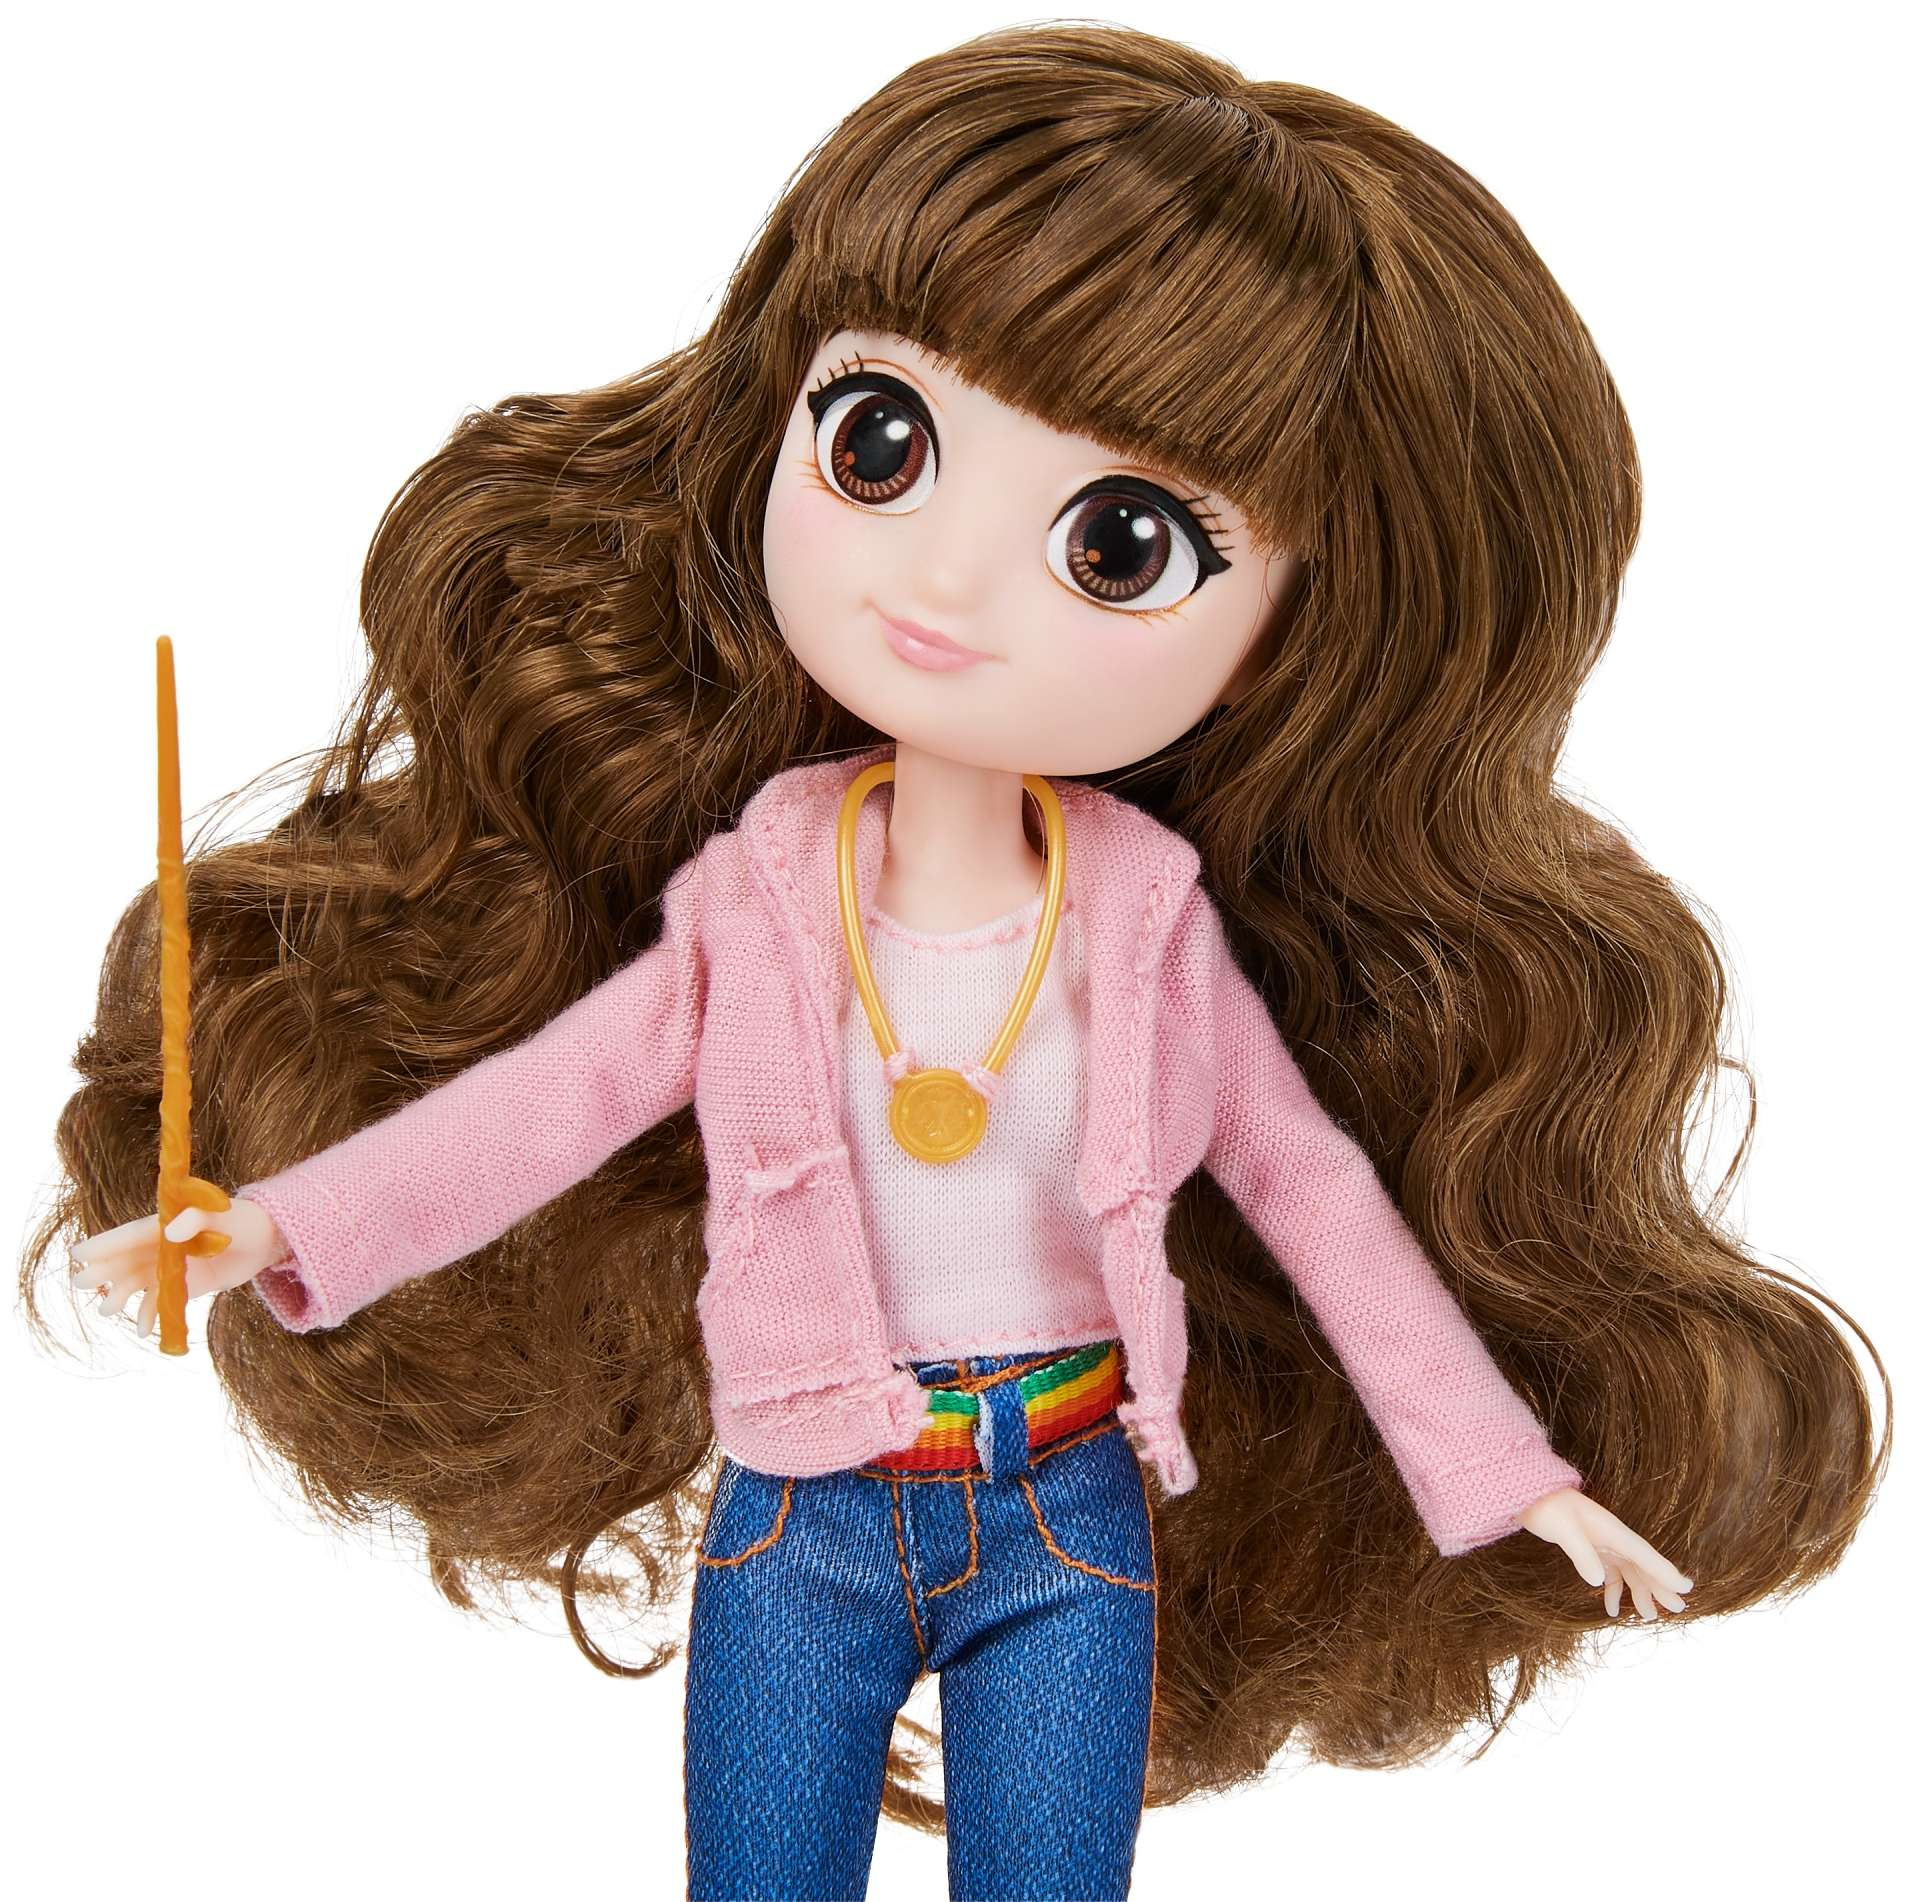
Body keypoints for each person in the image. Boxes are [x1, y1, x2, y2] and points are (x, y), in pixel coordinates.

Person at [39, 23, 1885, 1902]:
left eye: (1119, 542)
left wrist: (1511, 1475)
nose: (939, 580)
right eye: (882, 441)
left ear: (1290, 639)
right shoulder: (761, 898)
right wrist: (276, 1228)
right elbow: (550, 1107)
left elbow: (1314, 1197)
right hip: (804, 1509)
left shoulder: (1147, 926)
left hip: (1063, 1507)